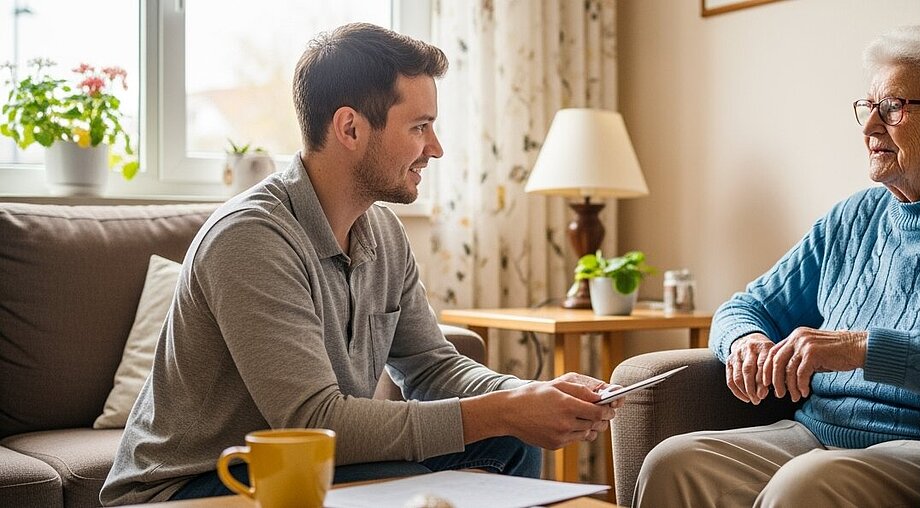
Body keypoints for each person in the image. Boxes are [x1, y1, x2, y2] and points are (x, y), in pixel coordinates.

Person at [100, 23, 618, 505]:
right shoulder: (250, 238)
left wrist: (527, 396)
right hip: (190, 484)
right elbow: (314, 422)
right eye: (419, 127)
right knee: (421, 473)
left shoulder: (383, 232)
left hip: (302, 465)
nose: (435, 148)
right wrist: (503, 410)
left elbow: (432, 367)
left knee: (512, 440)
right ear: (350, 128)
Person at [633, 23, 920, 507]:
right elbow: (745, 307)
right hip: (815, 434)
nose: (869, 127)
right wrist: (746, 342)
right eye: (869, 106)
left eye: (894, 107)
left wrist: (861, 349)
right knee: (672, 462)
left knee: (805, 483)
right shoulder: (853, 217)